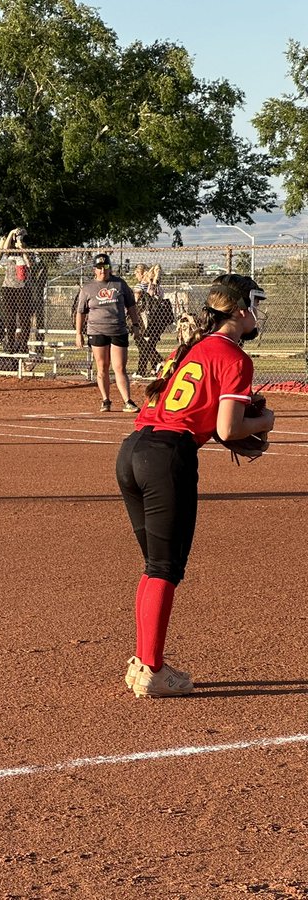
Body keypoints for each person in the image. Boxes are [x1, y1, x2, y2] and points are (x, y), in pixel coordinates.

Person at [115, 274, 275, 698]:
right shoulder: (235, 357)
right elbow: (228, 428)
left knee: (154, 567)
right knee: (164, 570)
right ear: (239, 310)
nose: (257, 312)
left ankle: (143, 661)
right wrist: (265, 421)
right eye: (254, 303)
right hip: (168, 457)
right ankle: (151, 669)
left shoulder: (190, 347)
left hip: (132, 450)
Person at [74, 252, 142, 412]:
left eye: (105, 267)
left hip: (118, 330)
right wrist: (78, 333)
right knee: (102, 366)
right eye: (99, 268)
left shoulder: (119, 284)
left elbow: (131, 306)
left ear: (110, 268)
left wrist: (136, 324)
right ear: (94, 270)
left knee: (119, 367)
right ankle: (106, 400)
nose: (103, 270)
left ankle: (128, 401)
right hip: (97, 330)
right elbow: (81, 312)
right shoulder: (88, 288)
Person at [134, 263, 174, 377]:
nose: (136, 275)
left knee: (144, 345)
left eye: (137, 272)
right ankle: (154, 368)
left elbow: (136, 301)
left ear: (143, 274)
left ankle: (160, 364)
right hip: (158, 320)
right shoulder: (158, 288)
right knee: (149, 345)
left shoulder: (140, 286)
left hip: (145, 321)